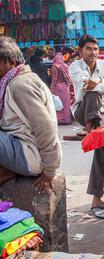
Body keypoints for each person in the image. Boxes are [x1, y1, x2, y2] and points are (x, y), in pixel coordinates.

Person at [69, 34, 104, 219]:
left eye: (95, 49)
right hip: (82, 112)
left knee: (102, 155)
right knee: (91, 93)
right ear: (80, 51)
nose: (93, 52)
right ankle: (90, 128)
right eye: (88, 49)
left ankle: (97, 200)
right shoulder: (75, 66)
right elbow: (86, 84)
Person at [0, 36, 61, 192]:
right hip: (22, 149)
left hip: (31, 155)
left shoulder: (19, 85)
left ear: (11, 62)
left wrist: (50, 170)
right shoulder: (13, 80)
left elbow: (45, 127)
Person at [50, 52, 72, 125]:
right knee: (66, 104)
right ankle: (67, 120)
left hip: (58, 87)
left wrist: (51, 90)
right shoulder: (65, 66)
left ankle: (60, 120)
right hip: (65, 87)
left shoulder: (55, 66)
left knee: (58, 103)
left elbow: (54, 79)